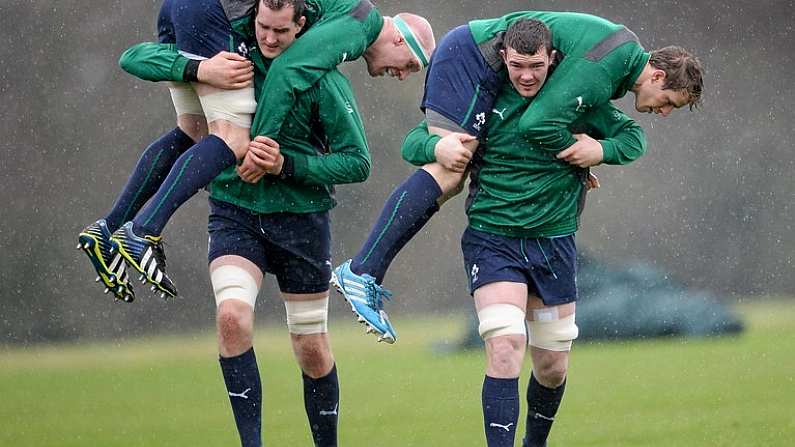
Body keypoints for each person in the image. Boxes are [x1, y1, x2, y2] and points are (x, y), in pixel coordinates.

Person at [331, 10, 704, 343]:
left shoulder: (616, 65)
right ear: (657, 75)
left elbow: (616, 133)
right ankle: (362, 271)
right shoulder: (605, 70)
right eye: (670, 101)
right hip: (469, 55)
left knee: (455, 169)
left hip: (475, 57)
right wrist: (575, 155)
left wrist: (595, 152)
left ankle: (366, 271)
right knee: (450, 168)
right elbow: (537, 122)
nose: (665, 112)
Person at [116, 2, 378, 446]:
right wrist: (197, 68)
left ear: (303, 28)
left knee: (311, 349)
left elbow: (358, 163)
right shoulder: (228, 51)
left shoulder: (324, 80)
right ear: (252, 18)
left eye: (281, 31)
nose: (270, 39)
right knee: (232, 318)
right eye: (263, 28)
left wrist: (288, 164)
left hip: (302, 223)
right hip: (235, 213)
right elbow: (134, 58)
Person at [78, 0, 434, 301]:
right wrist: (260, 148)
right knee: (232, 139)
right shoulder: (361, 24)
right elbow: (286, 70)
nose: (403, 75)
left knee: (193, 132)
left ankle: (108, 228)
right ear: (400, 40)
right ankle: (143, 231)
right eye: (411, 66)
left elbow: (134, 58)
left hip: (180, 8)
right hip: (213, 11)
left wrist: (195, 68)